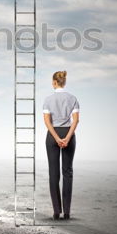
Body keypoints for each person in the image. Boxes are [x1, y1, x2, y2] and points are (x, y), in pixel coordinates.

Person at [42, 70, 80, 220]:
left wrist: (57, 138)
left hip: (53, 135)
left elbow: (47, 121)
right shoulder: (73, 98)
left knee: (53, 173)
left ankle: (56, 211)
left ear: (54, 82)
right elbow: (76, 120)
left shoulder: (48, 99)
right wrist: (67, 137)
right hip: (69, 134)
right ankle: (67, 212)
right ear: (64, 82)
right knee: (68, 173)